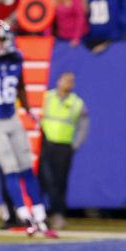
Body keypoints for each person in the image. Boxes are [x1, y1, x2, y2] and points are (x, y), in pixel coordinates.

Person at [0, 21, 57, 238]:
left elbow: (21, 86)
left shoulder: (16, 58)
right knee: (10, 168)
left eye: (1, 40)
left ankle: (41, 214)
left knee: (26, 168)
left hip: (12, 118)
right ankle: (24, 215)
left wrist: (28, 109)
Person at [39, 72, 88, 230]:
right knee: (43, 179)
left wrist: (75, 145)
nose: (68, 83)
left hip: (64, 146)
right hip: (45, 144)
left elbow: (83, 125)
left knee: (60, 182)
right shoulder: (46, 97)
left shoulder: (77, 102)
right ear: (58, 81)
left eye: (71, 81)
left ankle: (58, 214)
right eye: (66, 80)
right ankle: (38, 213)